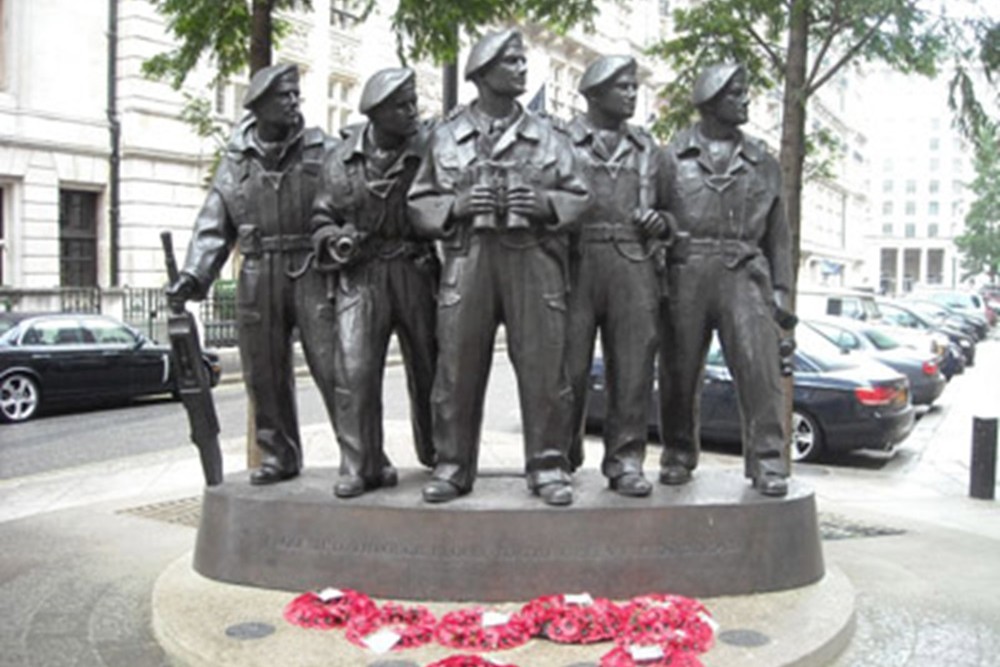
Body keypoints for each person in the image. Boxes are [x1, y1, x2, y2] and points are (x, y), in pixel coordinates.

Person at [408, 29, 589, 506]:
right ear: (483, 73)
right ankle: (452, 465)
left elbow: (579, 196)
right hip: (470, 261)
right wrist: (457, 206)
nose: (522, 68)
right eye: (511, 61)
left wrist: (546, 204)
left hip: (534, 260)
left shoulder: (550, 136)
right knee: (456, 369)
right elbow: (420, 202)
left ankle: (548, 465)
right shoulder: (446, 137)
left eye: (522, 60)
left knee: (545, 368)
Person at [166, 64, 338, 486]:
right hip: (258, 272)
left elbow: (347, 203)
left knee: (336, 366)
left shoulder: (324, 149)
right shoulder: (235, 163)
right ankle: (278, 454)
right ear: (259, 106)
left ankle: (360, 454)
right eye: (285, 96)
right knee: (264, 373)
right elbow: (213, 223)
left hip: (311, 267)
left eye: (297, 94)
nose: (294, 102)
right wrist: (194, 274)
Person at [657, 62, 796, 497]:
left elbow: (780, 239)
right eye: (736, 93)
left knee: (760, 369)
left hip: (744, 272)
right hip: (686, 271)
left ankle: (768, 459)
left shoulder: (763, 164)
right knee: (679, 371)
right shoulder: (670, 158)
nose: (746, 100)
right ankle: (678, 453)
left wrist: (781, 296)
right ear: (712, 101)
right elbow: (652, 218)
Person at [310, 67, 439, 498]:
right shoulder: (341, 160)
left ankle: (439, 453)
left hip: (414, 270)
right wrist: (335, 240)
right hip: (361, 276)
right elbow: (321, 218)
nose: (412, 112)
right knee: (356, 370)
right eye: (402, 106)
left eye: (413, 103)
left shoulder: (429, 149)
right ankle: (359, 463)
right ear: (378, 113)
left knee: (431, 366)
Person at [562, 55, 673, 497]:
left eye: (633, 87)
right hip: (577, 260)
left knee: (633, 367)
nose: (631, 93)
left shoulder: (648, 149)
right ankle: (560, 455)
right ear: (594, 93)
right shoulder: (563, 142)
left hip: (633, 263)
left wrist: (660, 223)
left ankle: (626, 460)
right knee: (565, 368)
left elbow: (673, 214)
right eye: (622, 87)